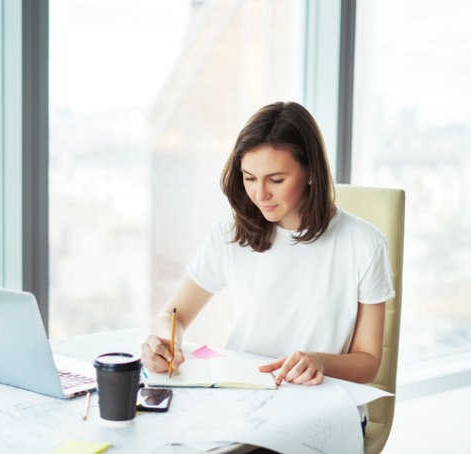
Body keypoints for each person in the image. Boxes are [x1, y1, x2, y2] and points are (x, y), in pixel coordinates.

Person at [141, 101, 394, 392]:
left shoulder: (364, 244)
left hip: (321, 400)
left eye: (276, 180)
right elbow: (172, 316)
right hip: (241, 393)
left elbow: (368, 362)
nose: (260, 194)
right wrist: (161, 342)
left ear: (311, 172)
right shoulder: (231, 233)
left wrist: (320, 362)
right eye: (249, 178)